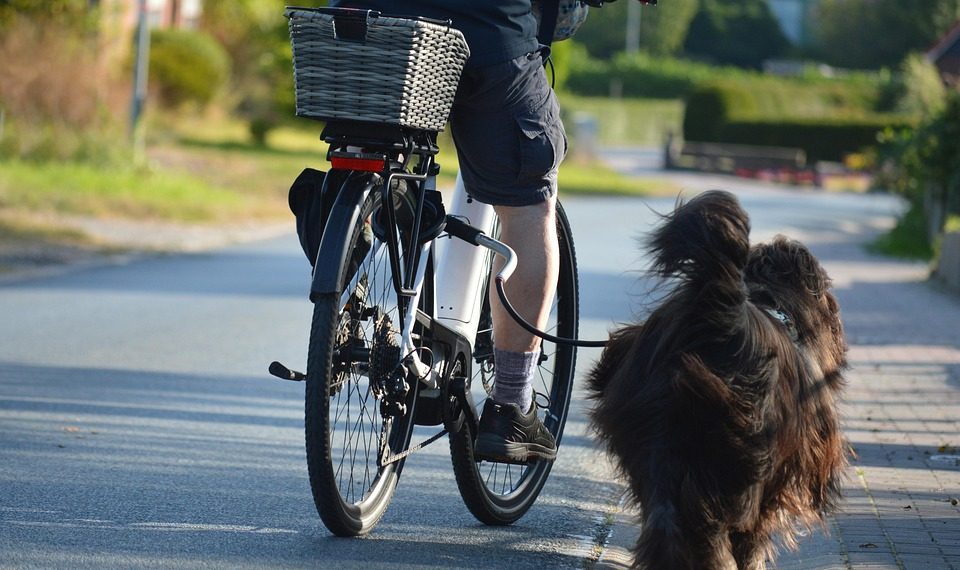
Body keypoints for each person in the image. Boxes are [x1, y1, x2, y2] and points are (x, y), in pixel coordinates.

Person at [331, 0, 566, 464]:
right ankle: (512, 406)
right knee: (527, 207)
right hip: (484, 32)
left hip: (367, 30)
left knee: (368, 161)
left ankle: (337, 309)